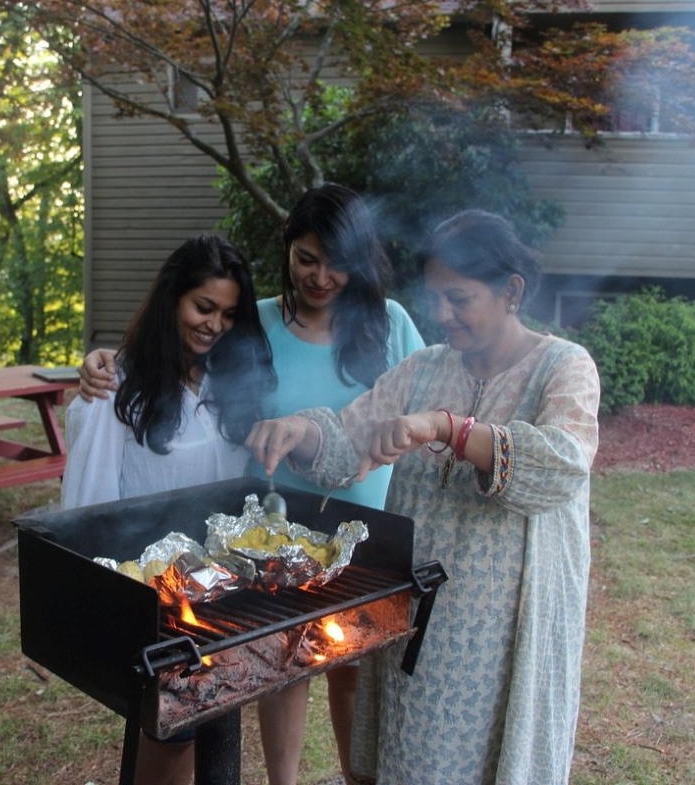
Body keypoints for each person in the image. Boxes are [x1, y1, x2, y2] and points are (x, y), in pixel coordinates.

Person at [77, 183, 424, 784]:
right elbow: (180, 354)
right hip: (269, 538)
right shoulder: (254, 321)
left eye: (337, 263)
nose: (320, 277)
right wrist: (107, 360)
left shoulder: (388, 325)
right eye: (306, 259)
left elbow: (431, 396)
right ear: (287, 249)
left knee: (354, 674)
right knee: (279, 661)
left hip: (367, 534)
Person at [245, 209, 600, 784]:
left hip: (504, 624)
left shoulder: (562, 368)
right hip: (421, 610)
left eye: (458, 299)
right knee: (414, 754)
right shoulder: (423, 368)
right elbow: (348, 438)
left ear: (511, 291)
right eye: (434, 297)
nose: (440, 314)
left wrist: (450, 429)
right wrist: (301, 431)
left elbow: (561, 464)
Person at [60, 233, 275, 784]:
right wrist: (95, 599)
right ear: (171, 298)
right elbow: (88, 501)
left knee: (222, 725)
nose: (214, 325)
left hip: (223, 592)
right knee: (171, 735)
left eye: (228, 314)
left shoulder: (229, 384)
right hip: (155, 599)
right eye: (203, 307)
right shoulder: (117, 388)